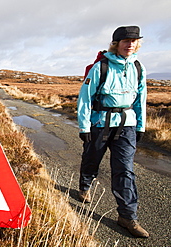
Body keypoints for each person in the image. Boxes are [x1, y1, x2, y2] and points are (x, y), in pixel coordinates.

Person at [77, 26, 149, 238]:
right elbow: (85, 98)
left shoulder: (138, 67)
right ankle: (85, 185)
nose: (130, 44)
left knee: (125, 169)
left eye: (134, 41)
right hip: (100, 123)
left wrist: (140, 126)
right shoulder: (101, 67)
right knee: (91, 158)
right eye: (126, 41)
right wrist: (84, 126)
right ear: (116, 44)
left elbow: (140, 99)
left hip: (126, 125)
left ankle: (127, 216)